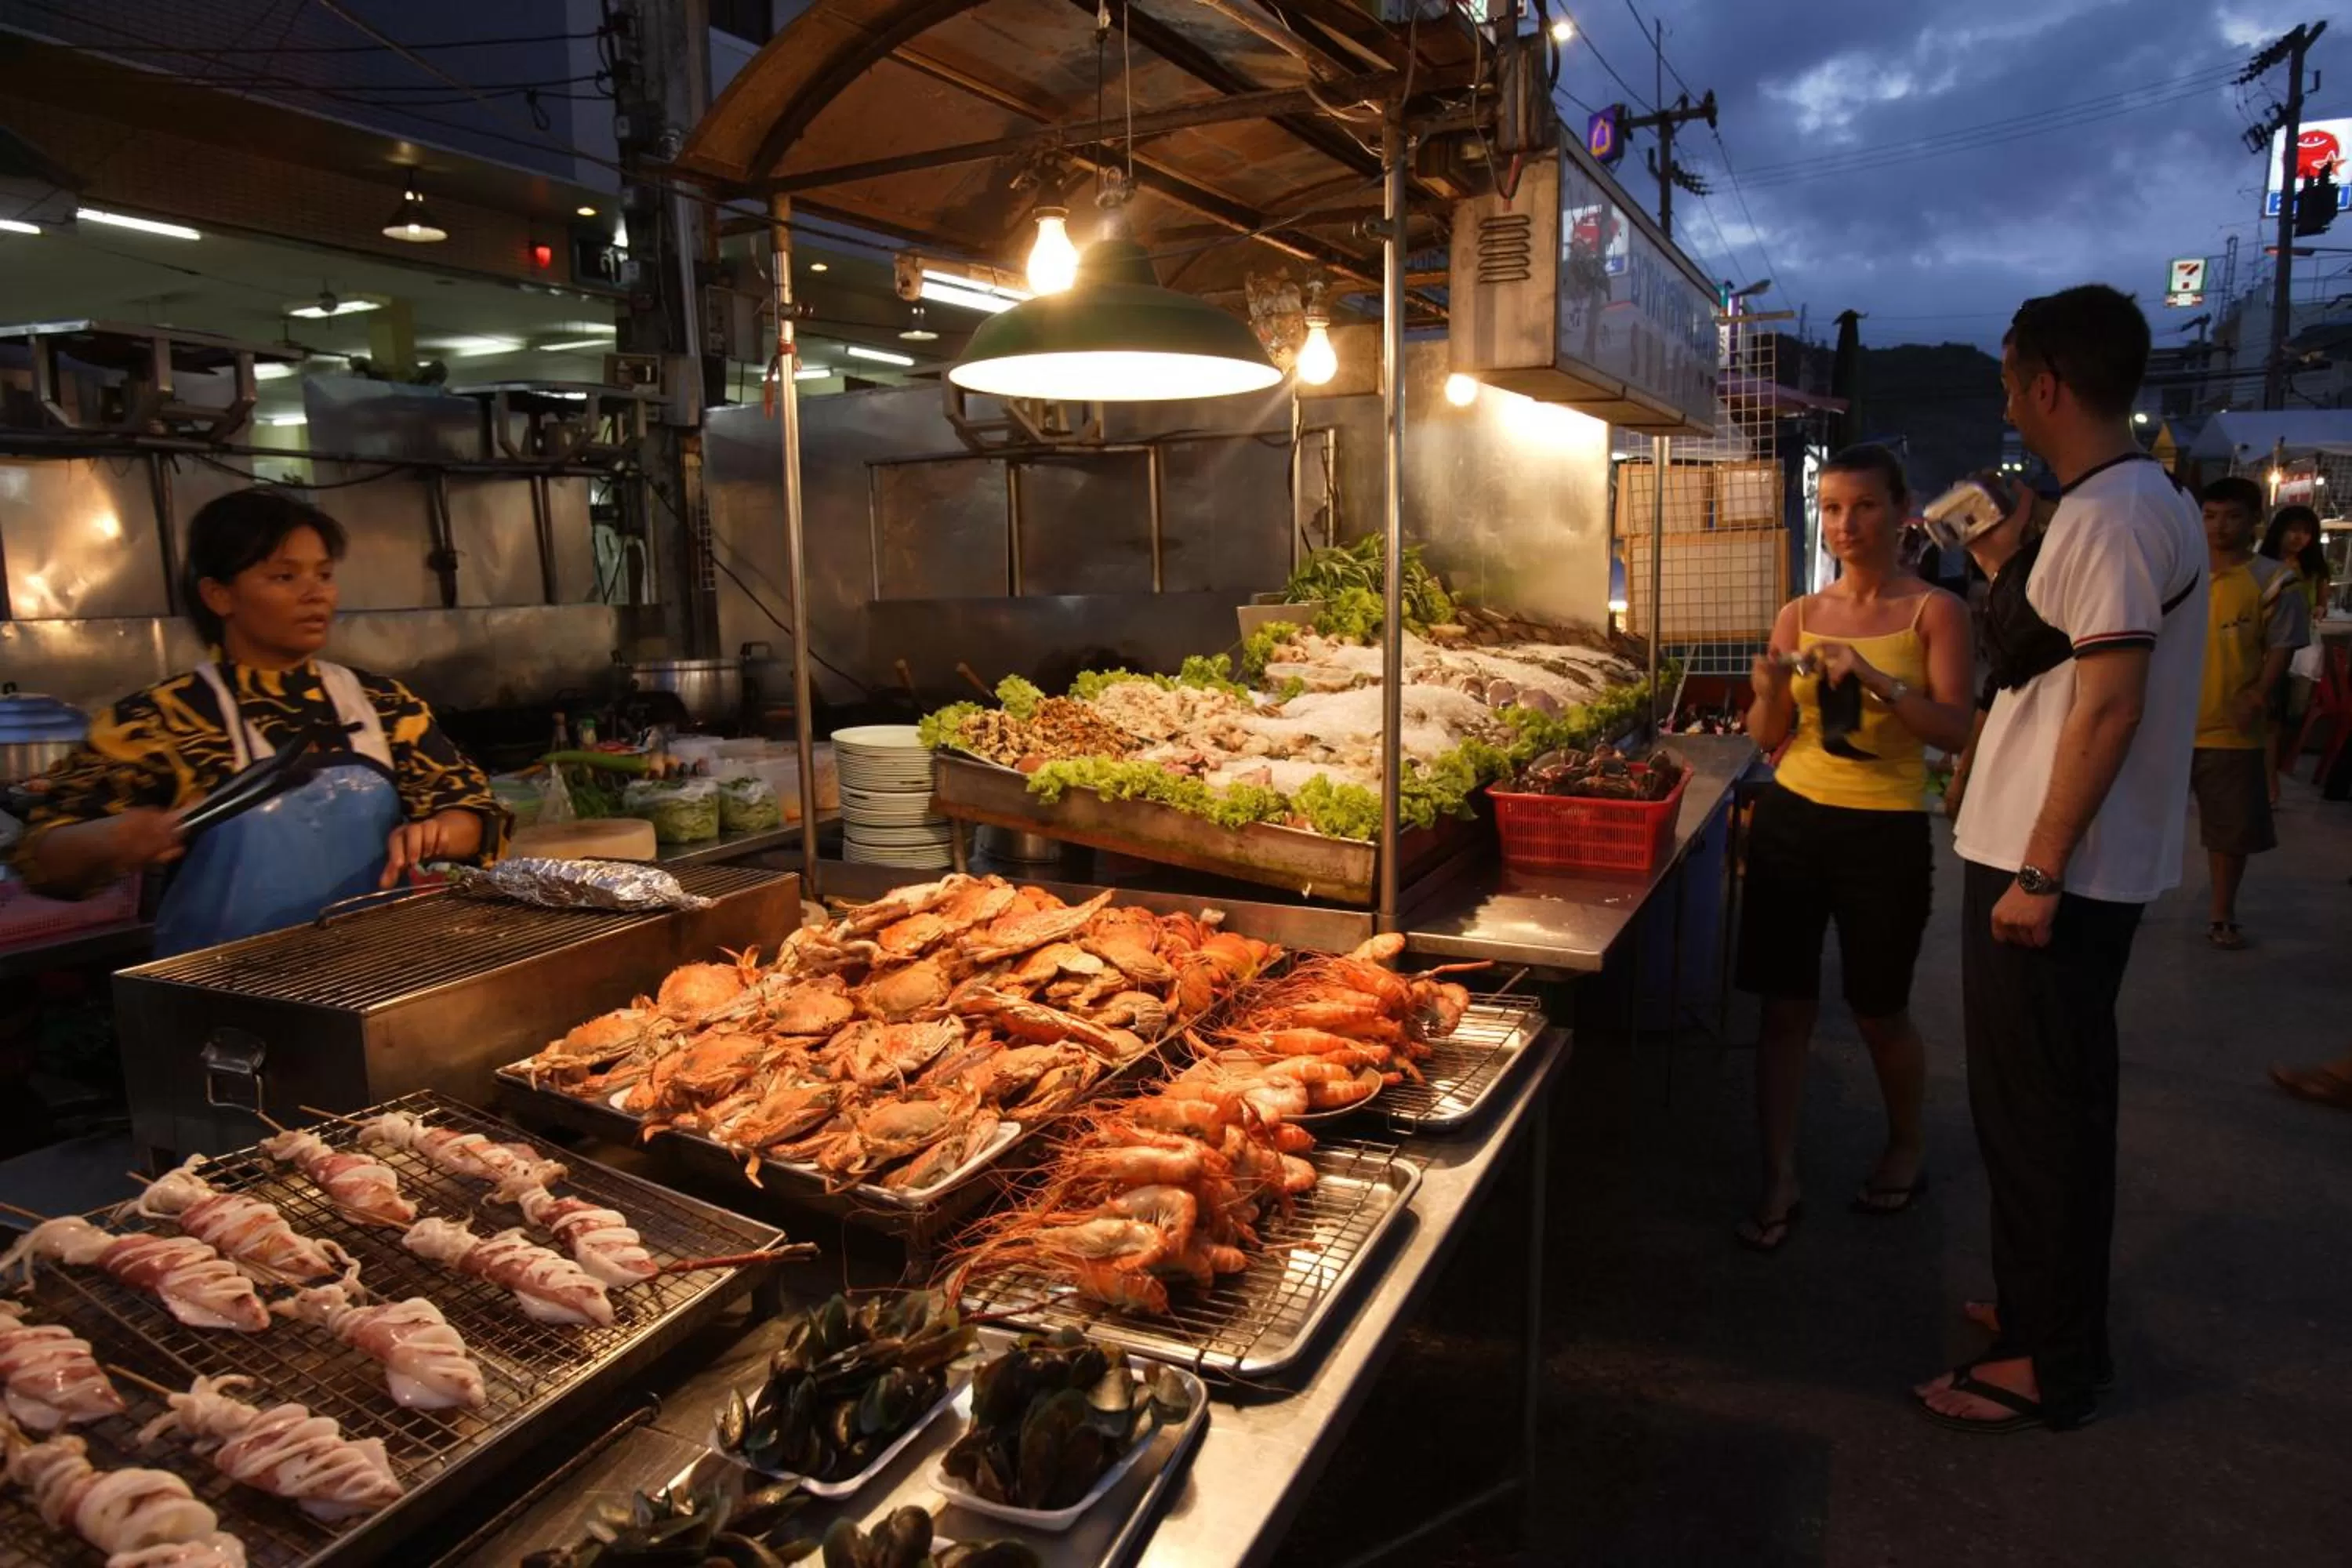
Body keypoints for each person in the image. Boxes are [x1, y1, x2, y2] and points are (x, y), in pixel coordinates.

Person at [1919, 285, 2205, 1435]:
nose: (2004, 397)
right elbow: (2048, 662)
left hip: (2063, 873)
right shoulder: (2114, 505)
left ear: (2044, 384)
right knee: (2039, 1107)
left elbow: (2109, 708)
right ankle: (2040, 1313)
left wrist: (2038, 872)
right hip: (2059, 859)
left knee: (2042, 1115)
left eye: (2004, 378)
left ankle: (2047, 1364)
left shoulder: (2116, 515)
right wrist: (2001, 555)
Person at [15, 488, 507, 954]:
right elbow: (39, 856)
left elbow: (481, 819)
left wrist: (443, 830)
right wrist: (111, 839)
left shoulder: (381, 704)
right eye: (284, 577)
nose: (315, 594)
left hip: (370, 978)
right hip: (221, 996)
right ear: (219, 595)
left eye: (324, 574)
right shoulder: (159, 719)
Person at [1735, 445, 1974, 1252]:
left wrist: (1877, 678)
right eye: (1833, 508)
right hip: (1793, 817)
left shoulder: (1934, 611)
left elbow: (1956, 727)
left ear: (1903, 510)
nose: (1846, 524)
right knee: (1783, 1009)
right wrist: (1769, 688)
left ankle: (1905, 1143)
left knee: (1879, 1009)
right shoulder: (1799, 612)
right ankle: (1779, 1172)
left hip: (1888, 828)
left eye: (1865, 506)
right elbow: (1768, 735)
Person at [2190, 477, 2307, 949]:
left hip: (2230, 728)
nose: (2219, 527)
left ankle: (2221, 913)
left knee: (2229, 831)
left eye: (2233, 516)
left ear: (2255, 520)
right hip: (2168, 724)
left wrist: (2258, 693)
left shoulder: (2276, 579)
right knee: (2137, 818)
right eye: (2210, 515)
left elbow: (2281, 646)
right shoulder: (2180, 572)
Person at [2259, 503, 2331, 802]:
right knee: (2271, 717)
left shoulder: (2314, 569)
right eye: (2294, 530)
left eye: (2306, 532)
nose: (2299, 537)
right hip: (2270, 648)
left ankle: (2274, 772)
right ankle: (2269, 782)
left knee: (2296, 711)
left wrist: (2317, 608)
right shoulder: (2264, 564)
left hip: (2305, 650)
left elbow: (2322, 603)